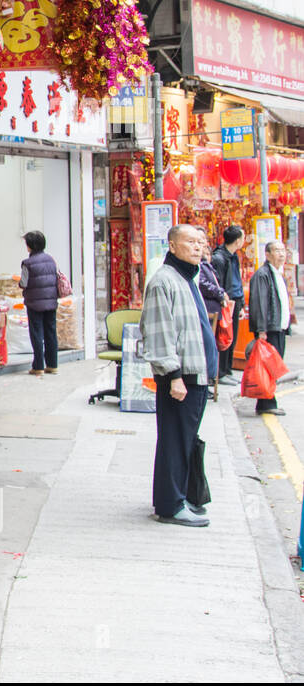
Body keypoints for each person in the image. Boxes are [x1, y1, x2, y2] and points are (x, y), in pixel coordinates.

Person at [140, 224, 219, 527]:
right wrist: (173, 376)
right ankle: (170, 506)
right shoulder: (164, 281)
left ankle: (179, 496)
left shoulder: (187, 279)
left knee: (185, 441)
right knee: (174, 441)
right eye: (190, 242)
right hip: (180, 378)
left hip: (193, 376)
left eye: (201, 242)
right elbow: (159, 333)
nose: (197, 247)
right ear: (172, 246)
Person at [247, 240, 290, 417]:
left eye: (283, 250)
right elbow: (259, 302)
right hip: (269, 329)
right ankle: (266, 403)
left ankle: (267, 401)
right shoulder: (263, 274)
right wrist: (261, 329)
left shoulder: (277, 274)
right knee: (268, 367)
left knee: (273, 367)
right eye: (277, 251)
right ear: (268, 254)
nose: (281, 254)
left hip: (278, 328)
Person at [18, 230, 60, 376]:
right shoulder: (51, 260)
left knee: (37, 334)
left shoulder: (27, 263)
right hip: (51, 302)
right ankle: (53, 365)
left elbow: (23, 283)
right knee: (51, 332)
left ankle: (38, 367)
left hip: (34, 303)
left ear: (30, 245)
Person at [210, 225, 246, 385]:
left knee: (232, 337)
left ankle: (228, 369)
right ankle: (221, 371)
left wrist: (242, 303)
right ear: (238, 241)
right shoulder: (219, 258)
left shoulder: (234, 256)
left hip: (235, 300)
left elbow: (237, 280)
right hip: (225, 302)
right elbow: (219, 283)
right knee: (223, 337)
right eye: (243, 238)